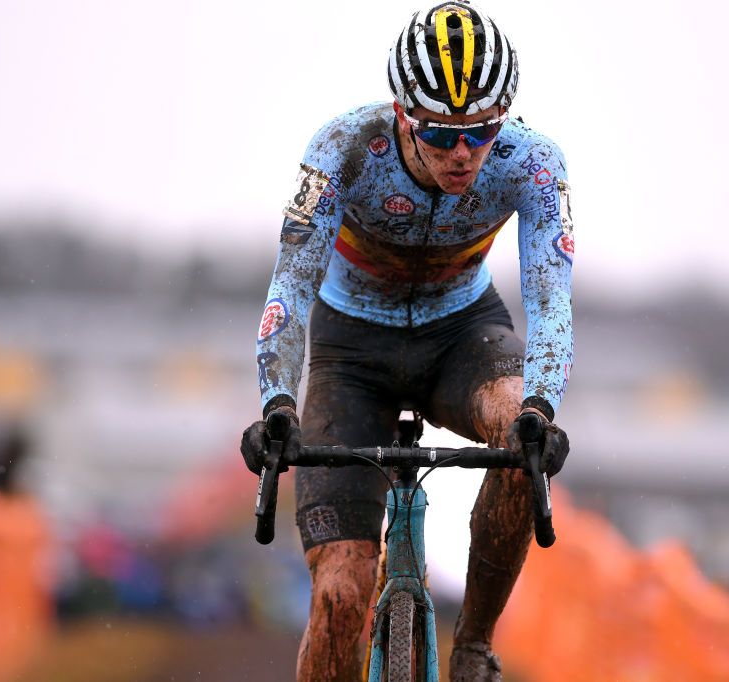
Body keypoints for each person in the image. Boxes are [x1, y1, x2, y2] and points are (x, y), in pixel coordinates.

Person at [240, 2, 573, 680]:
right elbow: (291, 287)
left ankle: (474, 641)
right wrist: (277, 401)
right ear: (400, 114)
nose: (462, 153)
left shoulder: (533, 162)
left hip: (462, 336)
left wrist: (540, 406)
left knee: (520, 434)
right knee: (340, 594)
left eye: (480, 133)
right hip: (349, 352)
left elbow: (550, 297)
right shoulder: (342, 148)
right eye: (439, 134)